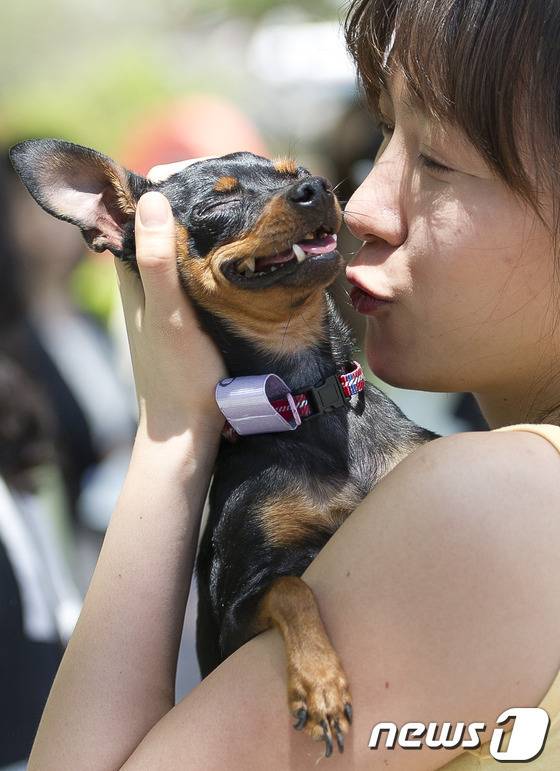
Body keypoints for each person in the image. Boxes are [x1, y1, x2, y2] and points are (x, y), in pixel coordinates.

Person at [26, 0, 560, 768]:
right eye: (382, 135)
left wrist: (172, 432)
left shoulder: (487, 495)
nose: (362, 206)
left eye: (438, 158)